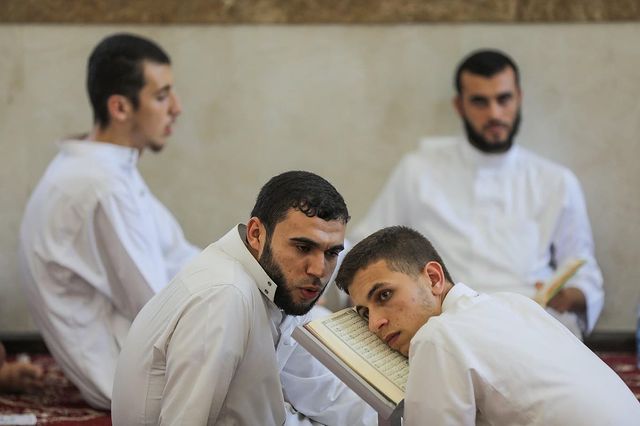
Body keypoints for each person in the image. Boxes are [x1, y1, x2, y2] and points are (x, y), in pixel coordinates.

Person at [350, 49, 603, 338]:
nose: (494, 113)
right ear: (460, 106)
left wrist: (569, 295)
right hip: (443, 322)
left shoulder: (556, 180)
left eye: (503, 99)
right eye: (480, 102)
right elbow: (364, 246)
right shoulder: (418, 171)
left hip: (529, 321)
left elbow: (584, 270)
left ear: (519, 98)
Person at [18, 33, 199, 409]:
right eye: (161, 96)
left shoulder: (108, 168)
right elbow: (159, 310)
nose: (177, 108)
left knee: (295, 322)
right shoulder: (101, 186)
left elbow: (179, 257)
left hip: (141, 352)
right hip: (134, 381)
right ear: (120, 107)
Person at [112, 171, 376, 425]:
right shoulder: (224, 298)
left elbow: (323, 393)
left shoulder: (278, 286)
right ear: (256, 234)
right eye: (303, 247)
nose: (318, 270)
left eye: (331, 253)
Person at [336, 226, 640, 425]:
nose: (375, 323)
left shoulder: (437, 335)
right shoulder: (515, 303)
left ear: (433, 278)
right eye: (364, 313)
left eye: (384, 295)